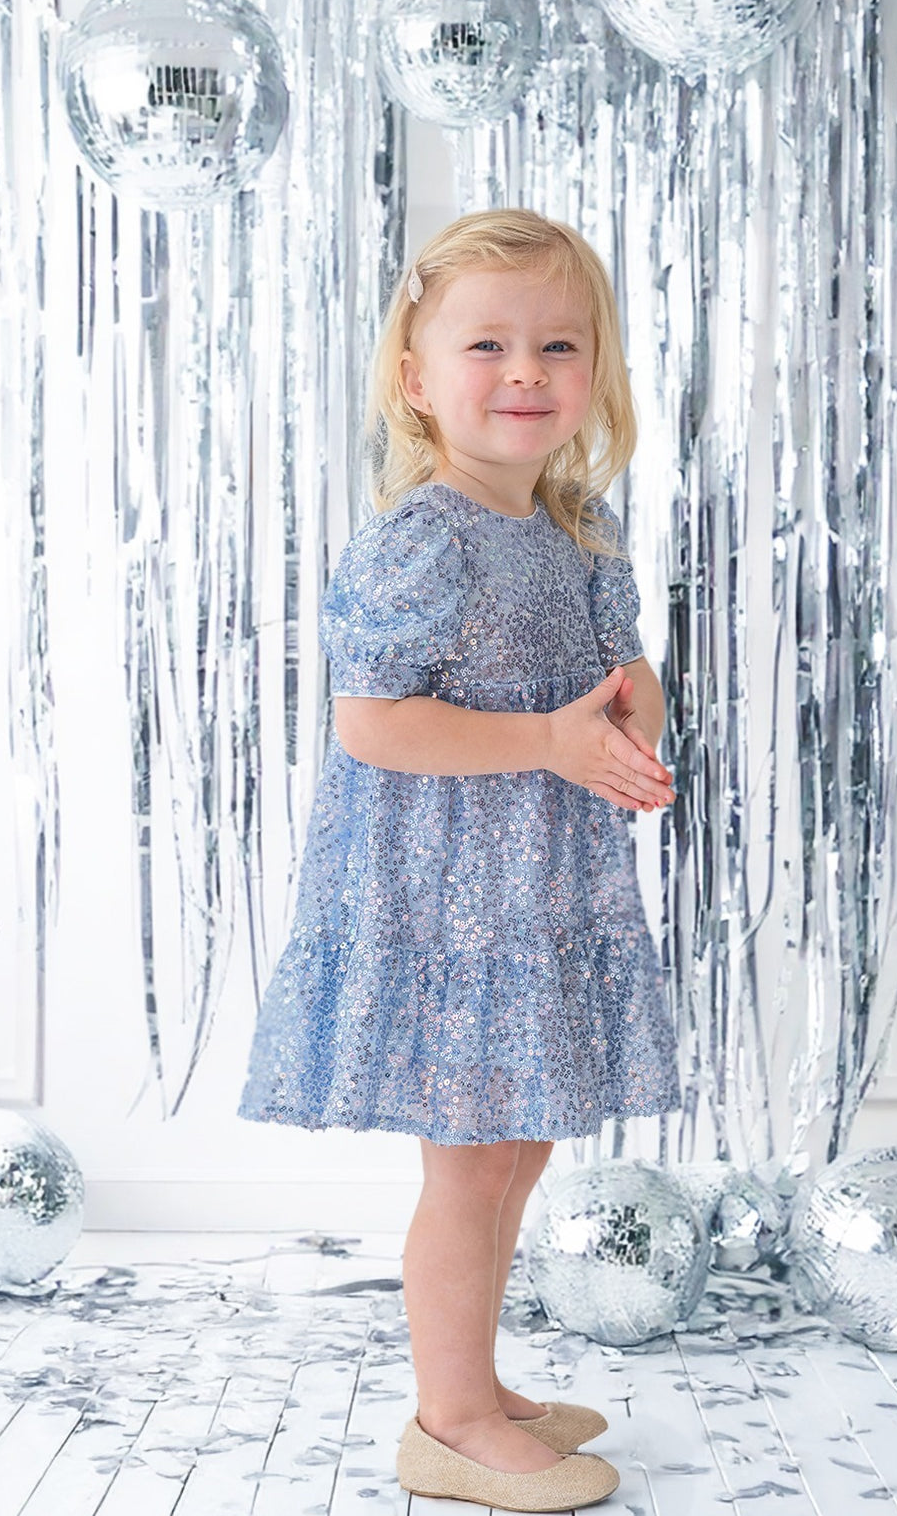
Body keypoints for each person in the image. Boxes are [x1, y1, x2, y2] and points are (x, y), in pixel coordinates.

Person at [238, 208, 681, 1512]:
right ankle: (446, 1418)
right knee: (469, 1159)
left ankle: (480, 1383)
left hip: (537, 896)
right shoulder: (423, 539)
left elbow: (628, 673)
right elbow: (372, 722)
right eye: (487, 344)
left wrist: (625, 722)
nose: (526, 373)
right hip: (446, 901)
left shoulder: (579, 529)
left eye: (558, 344)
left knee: (522, 1147)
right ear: (416, 378)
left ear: (594, 369)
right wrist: (547, 740)